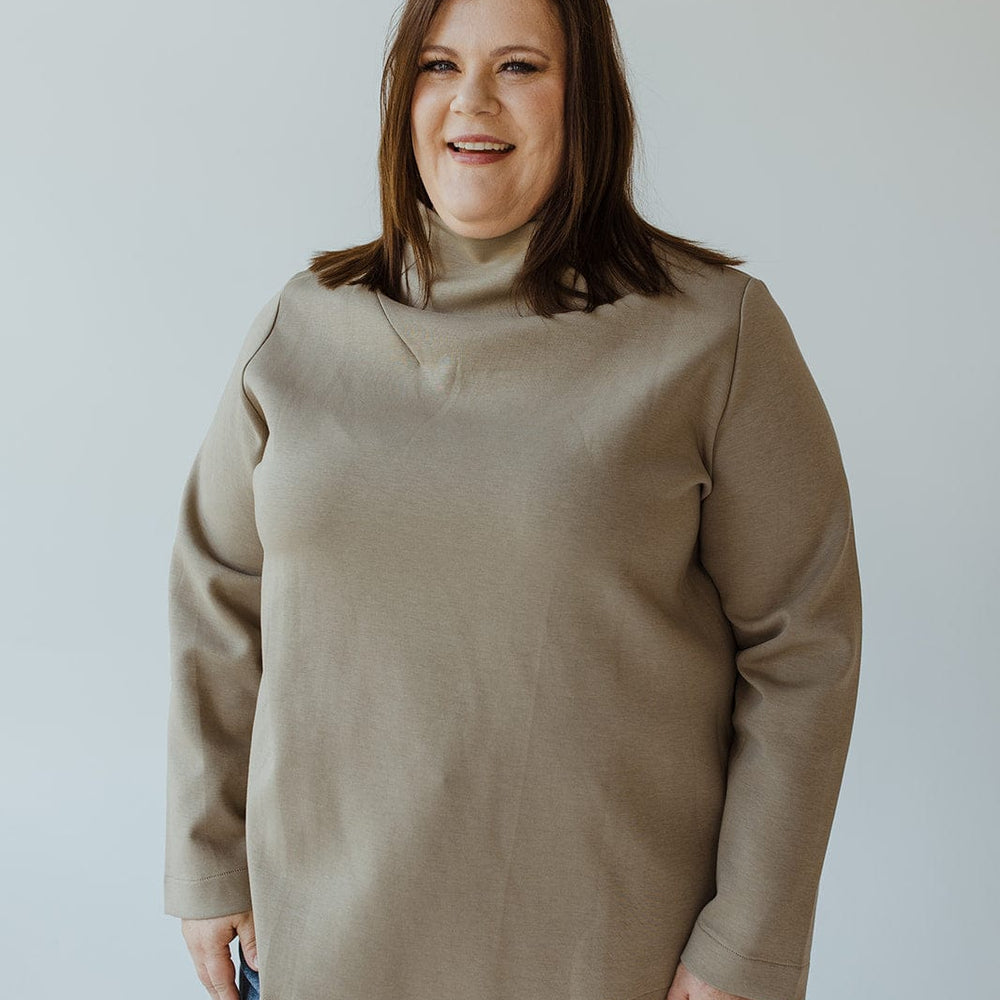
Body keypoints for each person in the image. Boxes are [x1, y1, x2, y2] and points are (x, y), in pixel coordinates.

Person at [163, 0, 863, 998]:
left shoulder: (713, 334)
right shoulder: (301, 326)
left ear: (589, 99)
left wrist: (745, 942)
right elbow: (216, 583)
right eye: (439, 65)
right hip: (319, 953)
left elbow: (805, 645)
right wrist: (207, 854)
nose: (471, 103)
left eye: (521, 66)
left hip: (603, 964)